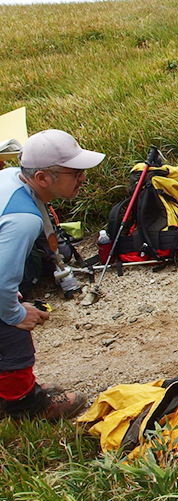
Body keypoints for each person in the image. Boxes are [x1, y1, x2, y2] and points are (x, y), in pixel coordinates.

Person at [1, 130, 104, 420]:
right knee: (12, 333)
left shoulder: (11, 178)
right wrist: (16, 314)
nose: (83, 178)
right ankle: (25, 405)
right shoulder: (23, 219)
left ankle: (9, 389)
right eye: (75, 172)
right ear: (43, 178)